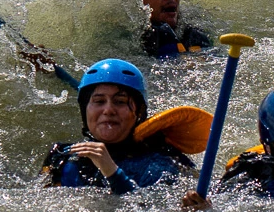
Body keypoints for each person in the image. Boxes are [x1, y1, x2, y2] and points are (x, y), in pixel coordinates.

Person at [41, 58, 193, 192]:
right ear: (84, 110)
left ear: (139, 112)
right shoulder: (60, 157)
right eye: (99, 101)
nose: (108, 110)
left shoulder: (160, 165)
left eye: (120, 102)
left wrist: (112, 172)